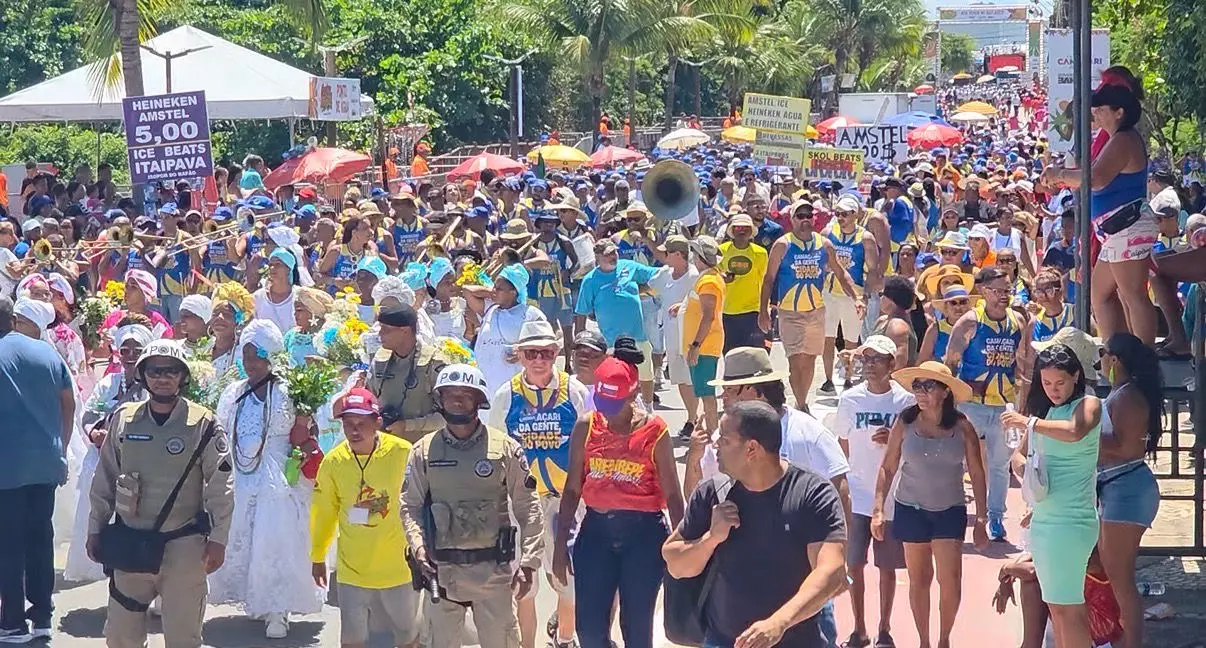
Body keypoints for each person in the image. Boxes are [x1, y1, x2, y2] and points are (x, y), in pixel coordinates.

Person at [663, 400, 849, 648]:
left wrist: (778, 623)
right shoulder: (713, 493)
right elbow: (675, 564)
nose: (716, 445)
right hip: (723, 641)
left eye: (725, 440)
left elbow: (832, 571)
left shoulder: (812, 493)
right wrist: (711, 538)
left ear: (752, 448)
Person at [87, 339, 235, 648]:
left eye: (171, 371)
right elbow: (104, 481)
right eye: (154, 371)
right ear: (143, 375)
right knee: (121, 637)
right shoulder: (124, 420)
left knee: (183, 638)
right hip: (130, 545)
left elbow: (221, 488)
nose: (163, 378)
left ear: (183, 377)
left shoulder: (203, 424)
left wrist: (219, 540)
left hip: (182, 546)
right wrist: (95, 530)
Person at [401, 363, 543, 648]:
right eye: (450, 393)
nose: (457, 399)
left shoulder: (504, 448)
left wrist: (529, 563)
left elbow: (529, 506)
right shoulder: (424, 451)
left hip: (493, 574)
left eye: (466, 394)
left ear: (480, 400)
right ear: (439, 400)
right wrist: (418, 547)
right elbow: (410, 505)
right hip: (441, 574)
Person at [552, 351, 684, 648]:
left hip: (643, 535)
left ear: (633, 392)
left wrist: (683, 548)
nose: (608, 412)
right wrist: (560, 548)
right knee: (589, 631)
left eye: (616, 404)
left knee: (636, 629)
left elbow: (674, 495)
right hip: (596, 533)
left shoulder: (655, 431)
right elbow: (573, 489)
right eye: (604, 403)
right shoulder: (587, 426)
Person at [208, 320, 323, 638]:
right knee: (243, 539)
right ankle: (255, 599)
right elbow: (220, 433)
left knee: (275, 541)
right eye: (245, 356)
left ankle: (277, 609)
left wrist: (304, 422)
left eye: (257, 356)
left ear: (271, 355)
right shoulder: (233, 392)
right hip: (240, 476)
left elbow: (302, 436)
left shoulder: (289, 391)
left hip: (278, 479)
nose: (250, 364)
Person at [488, 319, 589, 648]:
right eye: (532, 353)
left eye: (546, 353)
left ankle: (564, 638)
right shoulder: (506, 396)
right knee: (524, 585)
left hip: (567, 501)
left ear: (557, 353)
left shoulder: (574, 391)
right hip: (523, 504)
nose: (539, 360)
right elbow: (494, 450)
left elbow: (591, 441)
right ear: (520, 355)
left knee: (568, 577)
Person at [874, 361, 989, 648]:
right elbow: (888, 467)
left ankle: (944, 639)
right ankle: (924, 641)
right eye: (917, 386)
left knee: (950, 580)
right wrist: (878, 509)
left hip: (949, 509)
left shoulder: (962, 427)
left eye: (928, 386)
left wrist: (982, 520)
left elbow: (976, 472)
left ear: (945, 392)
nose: (921, 393)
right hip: (910, 507)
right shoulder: (905, 421)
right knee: (919, 578)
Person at [1042, 70, 1157, 344]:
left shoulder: (1124, 139)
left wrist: (1058, 175)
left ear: (1119, 112)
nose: (1096, 113)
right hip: (1117, 229)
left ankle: (1144, 360)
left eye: (1102, 109)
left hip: (1127, 226)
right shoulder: (1116, 139)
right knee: (1100, 294)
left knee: (1133, 295)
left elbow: (1096, 178)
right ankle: (1120, 350)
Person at [1002, 343, 1102, 648]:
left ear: (1075, 377)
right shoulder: (1046, 412)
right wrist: (1029, 472)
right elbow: (1017, 458)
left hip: (1071, 522)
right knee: (1057, 608)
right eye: (1046, 383)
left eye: (1060, 383)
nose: (1053, 390)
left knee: (1068, 608)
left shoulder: (1089, 404)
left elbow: (1074, 431)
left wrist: (1029, 422)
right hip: (1045, 519)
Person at [311, 388, 420, 648]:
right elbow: (323, 512)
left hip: (398, 569)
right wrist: (317, 557)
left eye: (362, 424)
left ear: (377, 423)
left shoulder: (404, 453)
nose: (354, 431)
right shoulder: (334, 462)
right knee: (352, 641)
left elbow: (421, 502)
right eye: (348, 424)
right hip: (352, 571)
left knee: (408, 638)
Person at [0, 295, 76, 643]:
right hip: (45, 462)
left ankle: (12, 623)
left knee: (9, 545)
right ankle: (42, 617)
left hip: (7, 465)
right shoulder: (48, 353)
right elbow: (68, 403)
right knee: (39, 542)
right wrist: (59, 448)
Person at [832, 336, 915, 648]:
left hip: (891, 498)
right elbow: (841, 441)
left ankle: (885, 629)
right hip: (857, 495)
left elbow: (914, 442)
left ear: (892, 364)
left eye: (876, 359)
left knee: (887, 568)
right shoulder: (850, 399)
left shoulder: (904, 402)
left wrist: (894, 441)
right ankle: (858, 628)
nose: (869, 364)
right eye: (865, 358)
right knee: (854, 565)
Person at [66, 320, 153, 584]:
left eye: (136, 350)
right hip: (104, 458)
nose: (129, 356)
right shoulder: (109, 382)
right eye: (124, 350)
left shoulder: (154, 384)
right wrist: (94, 433)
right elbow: (90, 411)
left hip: (139, 461)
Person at [1095, 333, 1163, 648]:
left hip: (1127, 489)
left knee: (1122, 582)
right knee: (1114, 576)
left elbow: (1124, 448)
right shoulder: (1122, 393)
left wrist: (1079, 439)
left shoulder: (1128, 397)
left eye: (1103, 353)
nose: (1100, 360)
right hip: (1119, 488)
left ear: (1115, 360)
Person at [944, 266, 1022, 541]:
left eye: (1008, 291)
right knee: (962, 460)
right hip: (971, 404)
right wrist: (954, 396)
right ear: (984, 291)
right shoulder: (969, 322)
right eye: (999, 291)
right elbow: (951, 362)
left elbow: (1022, 363)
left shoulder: (1017, 322)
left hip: (1003, 405)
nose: (1004, 296)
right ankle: (954, 511)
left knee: (1001, 464)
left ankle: (996, 517)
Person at [760, 199, 859, 407]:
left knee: (810, 359)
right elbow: (768, 279)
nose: (805, 220)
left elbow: (841, 273)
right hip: (790, 312)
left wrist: (856, 297)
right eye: (800, 216)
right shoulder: (782, 245)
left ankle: (800, 402)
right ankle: (802, 403)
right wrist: (764, 311)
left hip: (816, 311)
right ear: (792, 220)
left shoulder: (824, 244)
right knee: (796, 361)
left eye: (808, 215)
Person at [575, 240, 660, 402]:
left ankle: (648, 408)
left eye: (614, 252)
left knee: (646, 375)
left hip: (638, 336)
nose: (613, 256)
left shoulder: (629, 266)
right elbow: (581, 312)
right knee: (615, 378)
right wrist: (579, 341)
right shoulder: (590, 280)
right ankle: (619, 409)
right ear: (598, 257)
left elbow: (656, 275)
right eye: (608, 254)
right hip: (610, 341)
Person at [821, 194, 879, 393]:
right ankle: (828, 379)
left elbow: (873, 269)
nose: (840, 217)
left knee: (851, 340)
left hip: (854, 294)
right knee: (827, 338)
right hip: (828, 293)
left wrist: (866, 295)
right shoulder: (828, 233)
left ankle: (848, 378)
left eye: (844, 214)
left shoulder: (865, 238)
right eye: (837, 213)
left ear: (855, 214)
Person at [366, 303, 447, 443]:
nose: (380, 334)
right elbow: (368, 402)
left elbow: (447, 417)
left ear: (405, 331)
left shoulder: (433, 363)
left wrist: (408, 426)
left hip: (423, 448)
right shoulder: (380, 361)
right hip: (385, 445)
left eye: (386, 330)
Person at [473, 263, 548, 403]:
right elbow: (467, 291)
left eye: (499, 288)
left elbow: (547, 345)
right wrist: (490, 291)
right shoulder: (490, 309)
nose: (494, 291)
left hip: (513, 383)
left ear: (513, 291)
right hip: (486, 382)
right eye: (494, 286)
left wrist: (524, 349)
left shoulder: (531, 314)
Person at [649, 235, 700, 436]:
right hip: (671, 337)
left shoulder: (695, 276)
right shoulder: (665, 273)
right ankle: (692, 416)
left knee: (693, 380)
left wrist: (684, 305)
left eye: (667, 252)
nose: (663, 256)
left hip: (690, 338)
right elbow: (650, 289)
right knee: (680, 380)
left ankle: (694, 420)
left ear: (678, 254)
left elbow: (703, 303)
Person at [681, 236, 725, 436]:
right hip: (703, 344)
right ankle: (711, 435)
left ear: (700, 257)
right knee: (704, 393)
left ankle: (712, 436)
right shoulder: (709, 277)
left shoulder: (708, 281)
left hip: (705, 345)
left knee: (707, 395)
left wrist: (695, 345)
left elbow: (708, 316)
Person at [717, 213, 768, 352]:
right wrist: (722, 277)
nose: (742, 231)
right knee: (730, 354)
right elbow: (713, 275)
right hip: (727, 310)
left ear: (752, 231)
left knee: (754, 355)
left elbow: (766, 282)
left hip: (752, 310)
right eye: (738, 228)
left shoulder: (761, 253)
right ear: (731, 231)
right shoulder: (721, 251)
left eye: (746, 228)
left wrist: (766, 309)